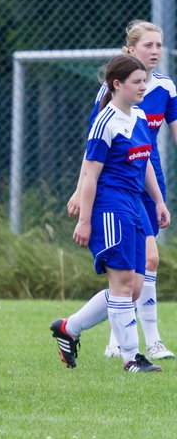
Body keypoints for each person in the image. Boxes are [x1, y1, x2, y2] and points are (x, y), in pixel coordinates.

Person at [53, 53, 171, 372]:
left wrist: (158, 201)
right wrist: (85, 220)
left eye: (144, 81)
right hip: (111, 206)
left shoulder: (140, 117)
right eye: (137, 82)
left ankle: (69, 328)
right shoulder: (105, 122)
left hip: (134, 204)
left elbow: (144, 161)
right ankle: (132, 358)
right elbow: (90, 175)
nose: (143, 87)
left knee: (133, 289)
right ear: (117, 85)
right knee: (121, 285)